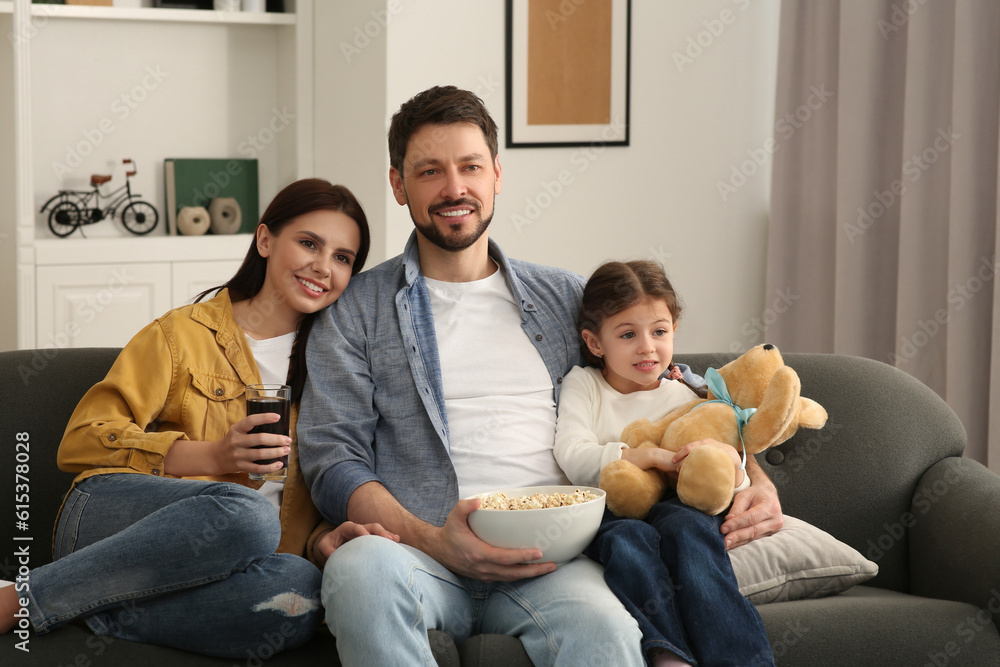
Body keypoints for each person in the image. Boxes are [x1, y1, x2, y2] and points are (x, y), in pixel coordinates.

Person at [297, 85, 782, 666]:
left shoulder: (563, 296)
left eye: (470, 167)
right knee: (358, 571)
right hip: (418, 554)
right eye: (430, 172)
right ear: (399, 184)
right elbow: (333, 458)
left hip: (554, 558)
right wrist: (436, 542)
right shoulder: (355, 311)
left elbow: (674, 387)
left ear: (496, 174)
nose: (455, 189)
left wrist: (755, 475)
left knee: (608, 629)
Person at [0, 179, 397, 658]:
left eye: (343, 258)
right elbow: (81, 441)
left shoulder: (337, 369)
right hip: (110, 525)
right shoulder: (182, 334)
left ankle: (82, 607)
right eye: (309, 243)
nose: (323, 266)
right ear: (266, 240)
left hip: (230, 564)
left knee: (303, 590)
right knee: (248, 517)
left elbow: (292, 513)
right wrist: (212, 454)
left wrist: (321, 541)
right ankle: (21, 600)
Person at [554, 260, 775, 667]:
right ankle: (669, 654)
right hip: (615, 508)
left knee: (689, 531)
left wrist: (732, 464)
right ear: (595, 342)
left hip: (681, 505)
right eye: (627, 334)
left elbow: (728, 472)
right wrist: (643, 457)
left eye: (659, 332)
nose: (647, 347)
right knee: (627, 542)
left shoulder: (687, 393)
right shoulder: (584, 384)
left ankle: (742, 659)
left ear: (673, 329)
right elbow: (571, 452)